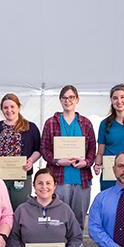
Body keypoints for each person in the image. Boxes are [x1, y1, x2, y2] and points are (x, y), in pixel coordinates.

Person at [40, 85, 96, 230]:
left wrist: (86, 162)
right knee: (57, 220)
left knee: (78, 221)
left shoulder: (86, 123)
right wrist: (57, 161)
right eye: (64, 98)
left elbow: (92, 149)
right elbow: (44, 149)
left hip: (81, 180)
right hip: (58, 180)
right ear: (60, 100)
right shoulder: (51, 123)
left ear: (77, 99)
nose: (68, 100)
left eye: (71, 97)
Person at [0, 93, 41, 211]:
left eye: (12, 107)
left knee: (20, 208)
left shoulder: (31, 127)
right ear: (2, 110)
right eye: (5, 107)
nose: (9, 110)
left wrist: (31, 161)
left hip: (22, 176)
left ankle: (18, 230)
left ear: (19, 107)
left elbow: (38, 149)